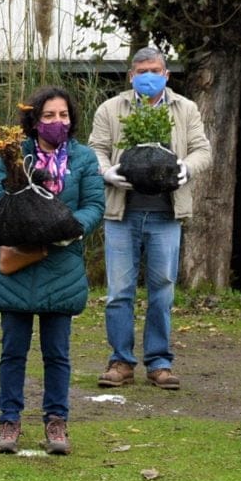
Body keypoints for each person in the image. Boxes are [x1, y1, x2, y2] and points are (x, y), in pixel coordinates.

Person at [0, 88, 106, 455]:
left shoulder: (83, 159)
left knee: (57, 353)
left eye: (63, 115)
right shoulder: (13, 156)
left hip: (62, 265)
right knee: (13, 350)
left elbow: (95, 204)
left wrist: (67, 227)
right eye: (49, 116)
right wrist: (26, 226)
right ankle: (9, 420)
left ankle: (56, 422)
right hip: (18, 264)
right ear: (34, 120)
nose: (57, 122)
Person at [87, 45, 212, 390]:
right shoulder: (112, 109)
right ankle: (120, 361)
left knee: (162, 290)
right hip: (121, 213)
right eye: (141, 71)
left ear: (166, 74)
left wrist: (188, 167)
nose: (148, 77)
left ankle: (159, 362)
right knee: (119, 291)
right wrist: (106, 171)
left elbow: (203, 149)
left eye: (154, 70)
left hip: (166, 213)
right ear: (131, 75)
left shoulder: (185, 109)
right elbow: (95, 147)